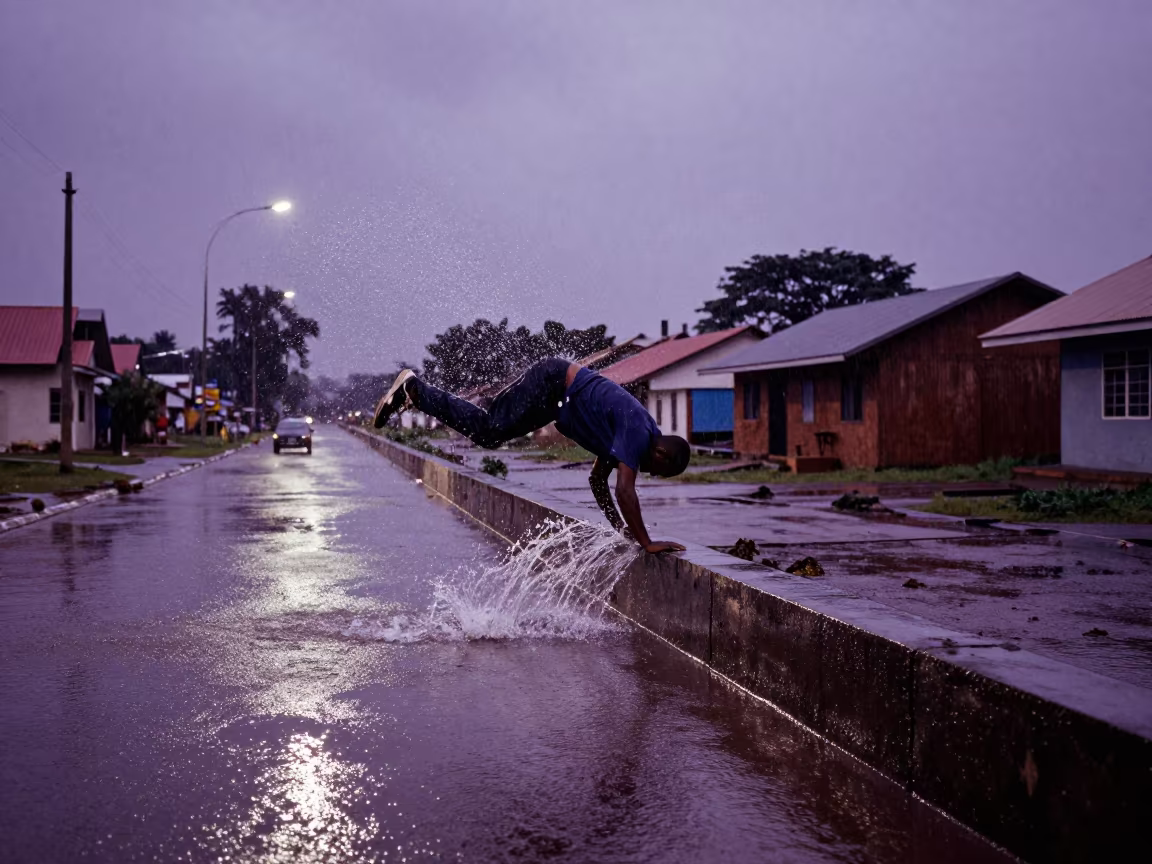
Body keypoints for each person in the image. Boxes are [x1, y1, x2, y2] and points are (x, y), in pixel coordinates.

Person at [373, 359, 690, 553]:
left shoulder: (628, 437)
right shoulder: (637, 432)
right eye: (656, 471)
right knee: (490, 428)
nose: (647, 473)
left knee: (490, 429)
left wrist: (622, 531)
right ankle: (415, 390)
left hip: (555, 393)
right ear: (661, 453)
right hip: (554, 383)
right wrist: (646, 542)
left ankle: (416, 394)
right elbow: (624, 490)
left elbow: (597, 481)